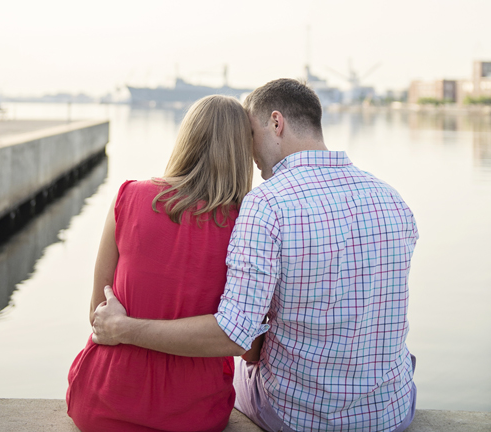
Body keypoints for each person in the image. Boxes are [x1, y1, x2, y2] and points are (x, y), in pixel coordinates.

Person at [92, 78, 419, 432]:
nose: (248, 151)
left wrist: (125, 329)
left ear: (276, 123)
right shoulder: (392, 199)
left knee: (241, 369)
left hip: (299, 418)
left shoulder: (268, 204)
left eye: (251, 134)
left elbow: (236, 335)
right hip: (391, 413)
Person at [66, 94, 253, 432]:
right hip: (194, 414)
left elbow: (98, 312)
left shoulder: (128, 197)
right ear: (243, 153)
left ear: (186, 138)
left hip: (102, 402)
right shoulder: (247, 225)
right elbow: (249, 348)